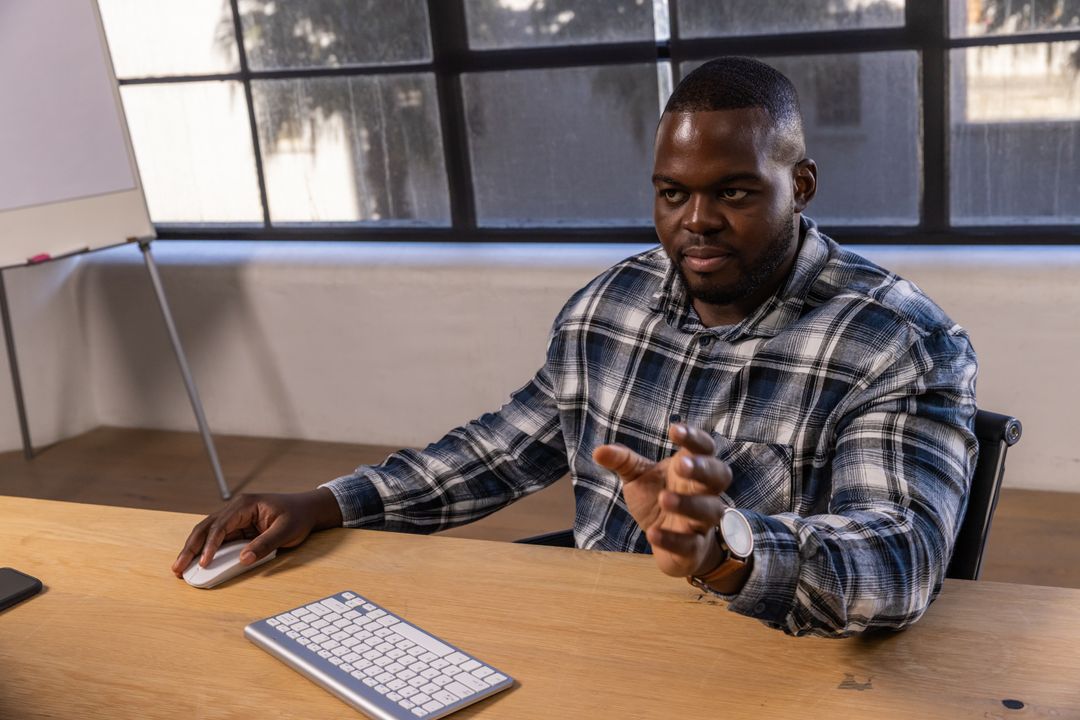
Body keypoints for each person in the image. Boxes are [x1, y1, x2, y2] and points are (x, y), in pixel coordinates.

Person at [173, 57, 977, 638]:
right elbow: (502, 452)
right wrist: (326, 503)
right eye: (672, 194)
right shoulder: (609, 306)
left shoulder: (899, 342)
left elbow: (901, 558)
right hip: (598, 636)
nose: (696, 221)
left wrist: (726, 551)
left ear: (799, 186)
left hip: (764, 656)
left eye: (733, 192)